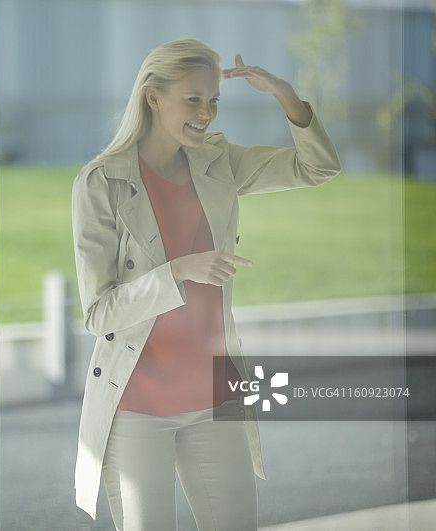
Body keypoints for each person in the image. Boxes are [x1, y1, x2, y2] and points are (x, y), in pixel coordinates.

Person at [71, 39, 341, 531]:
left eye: (214, 100)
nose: (207, 114)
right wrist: (177, 270)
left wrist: (285, 95)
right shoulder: (100, 182)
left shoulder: (217, 161)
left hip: (216, 396)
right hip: (137, 406)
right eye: (193, 99)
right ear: (153, 97)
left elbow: (317, 167)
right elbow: (99, 314)